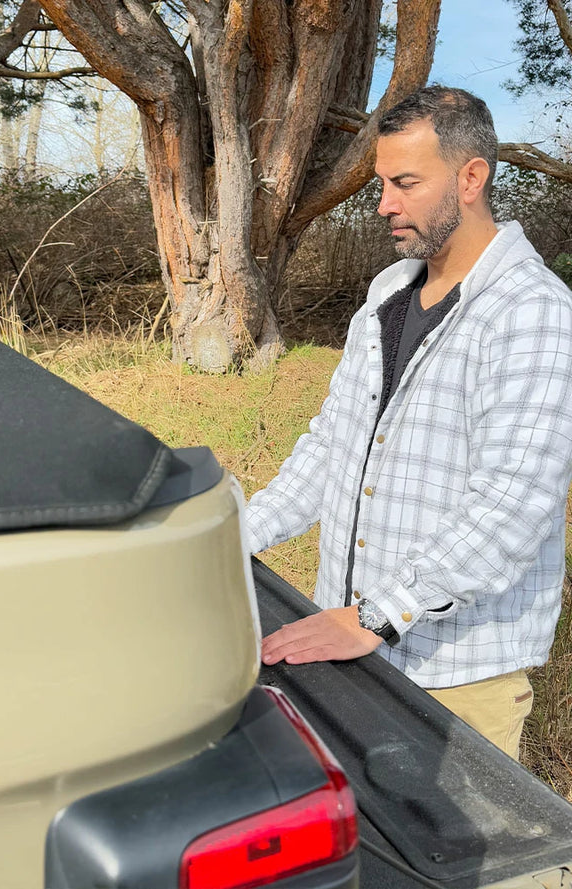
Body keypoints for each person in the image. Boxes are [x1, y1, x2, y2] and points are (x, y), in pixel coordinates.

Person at [245, 86, 572, 760]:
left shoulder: (534, 312)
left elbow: (513, 504)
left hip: (456, 675)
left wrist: (379, 613)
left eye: (406, 183)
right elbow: (333, 443)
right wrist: (236, 535)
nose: (384, 203)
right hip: (350, 644)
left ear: (471, 178)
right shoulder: (387, 294)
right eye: (382, 183)